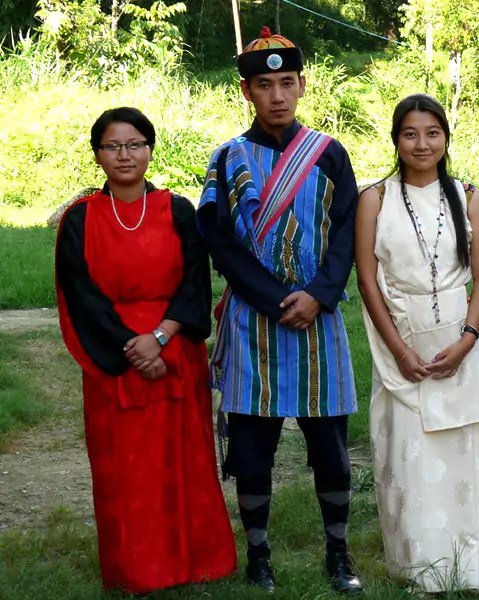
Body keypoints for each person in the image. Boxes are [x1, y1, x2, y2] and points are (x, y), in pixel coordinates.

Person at [196, 27, 362, 594]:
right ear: (246, 91)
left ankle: (339, 553)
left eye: (287, 83)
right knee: (251, 451)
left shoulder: (330, 154)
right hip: (253, 327)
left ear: (302, 85)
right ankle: (259, 556)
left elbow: (346, 233)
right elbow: (219, 241)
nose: (277, 96)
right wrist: (274, 299)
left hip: (320, 321)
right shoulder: (227, 159)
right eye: (264, 85)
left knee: (332, 450)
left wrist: (318, 293)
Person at [55, 107, 236, 594]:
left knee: (184, 462)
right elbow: (81, 295)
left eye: (135, 144)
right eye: (112, 146)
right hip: (113, 358)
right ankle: (137, 568)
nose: (125, 155)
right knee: (125, 470)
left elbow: (196, 281)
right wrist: (130, 347)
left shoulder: (177, 211)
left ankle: (198, 560)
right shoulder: (79, 219)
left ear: (151, 149)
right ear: (97, 155)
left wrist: (159, 337)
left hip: (174, 349)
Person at [355, 93, 479, 593]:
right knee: (407, 456)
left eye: (432, 133)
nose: (421, 143)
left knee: (459, 455)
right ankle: (417, 566)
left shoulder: (469, 195)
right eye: (410, 134)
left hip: (457, 342)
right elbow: (368, 282)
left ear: (446, 138)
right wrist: (399, 350)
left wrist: (467, 339)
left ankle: (466, 565)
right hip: (402, 338)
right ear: (396, 139)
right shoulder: (375, 199)